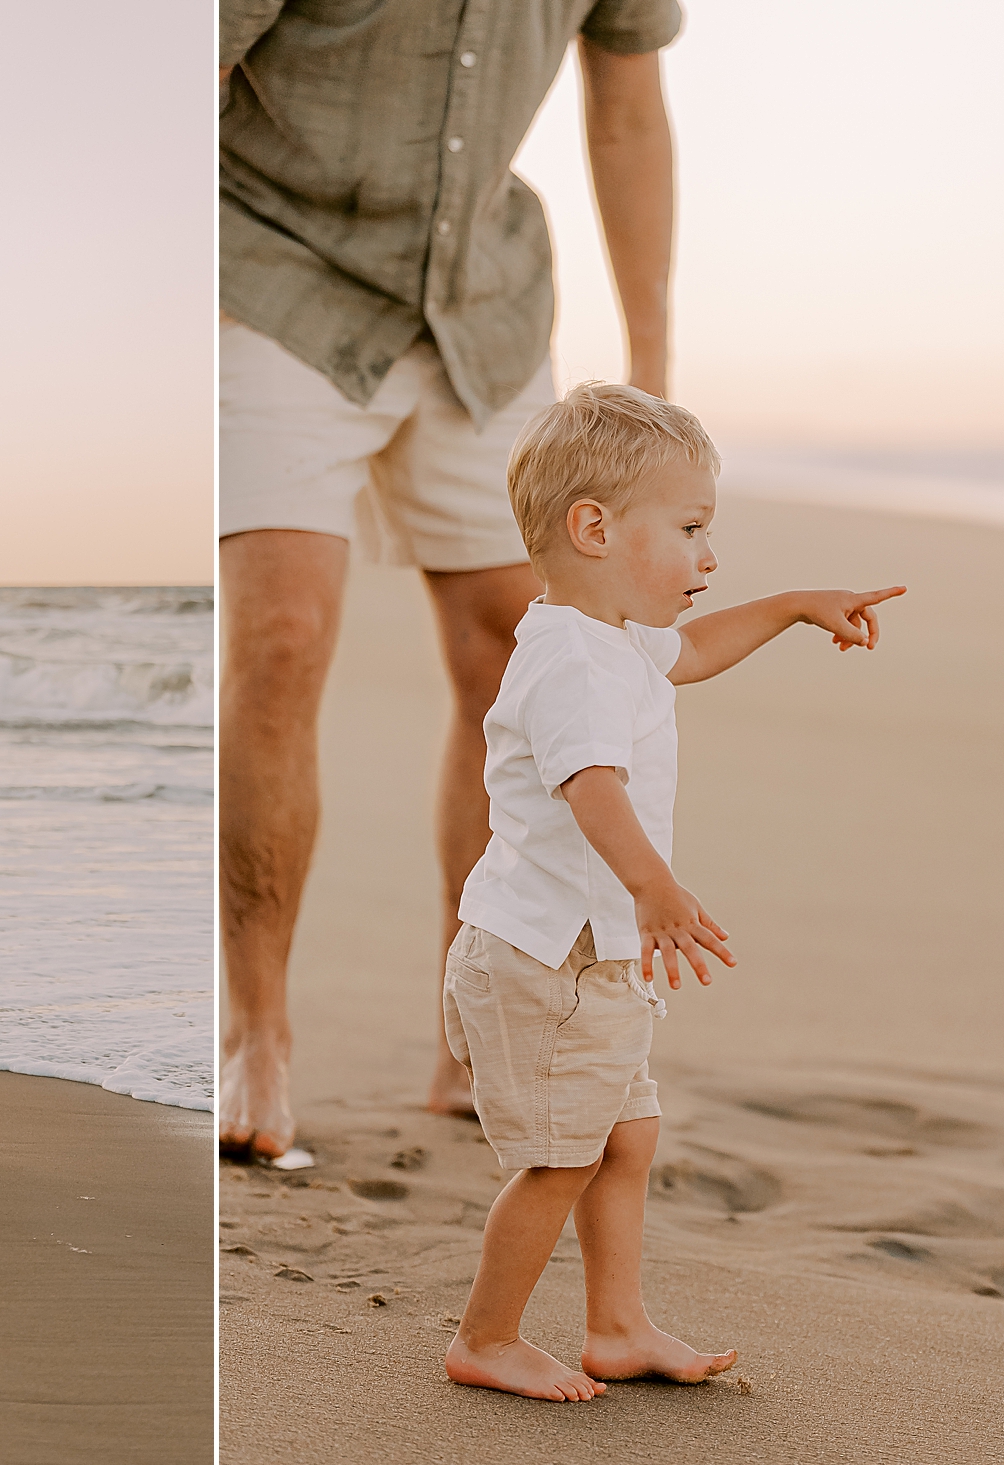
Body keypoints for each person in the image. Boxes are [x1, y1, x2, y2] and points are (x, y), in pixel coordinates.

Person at [219, 0, 688, 1158]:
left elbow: (625, 113)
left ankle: (472, 1021)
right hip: (264, 274)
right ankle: (255, 1032)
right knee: (281, 632)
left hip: (480, 310)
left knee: (509, 643)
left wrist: (650, 372)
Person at [439, 383, 904, 1399]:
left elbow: (690, 652)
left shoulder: (609, 633)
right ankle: (487, 1334)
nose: (707, 556)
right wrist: (651, 884)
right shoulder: (569, 659)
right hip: (544, 957)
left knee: (625, 1132)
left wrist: (788, 607)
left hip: (592, 950)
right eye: (690, 528)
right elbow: (588, 782)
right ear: (593, 527)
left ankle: (615, 1323)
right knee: (563, 1155)